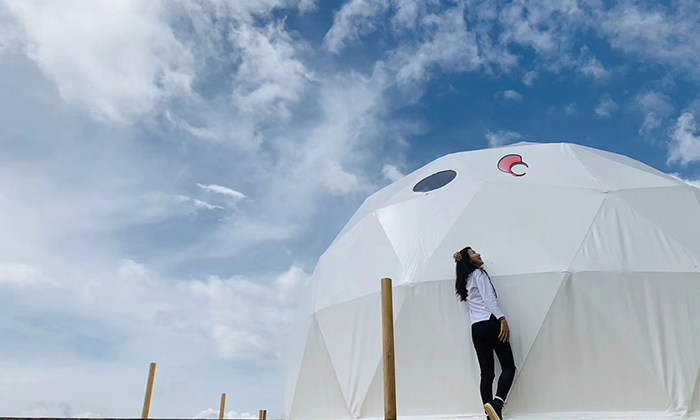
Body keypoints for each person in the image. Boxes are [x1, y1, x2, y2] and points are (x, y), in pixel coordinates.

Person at [454, 247, 516, 420]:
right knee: (509, 367)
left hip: (476, 328)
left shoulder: (463, 280)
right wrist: (502, 319)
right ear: (469, 260)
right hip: (490, 323)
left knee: (487, 374)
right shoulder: (478, 274)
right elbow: (489, 298)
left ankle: (490, 416)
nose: (478, 254)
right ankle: (497, 403)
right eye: (473, 253)